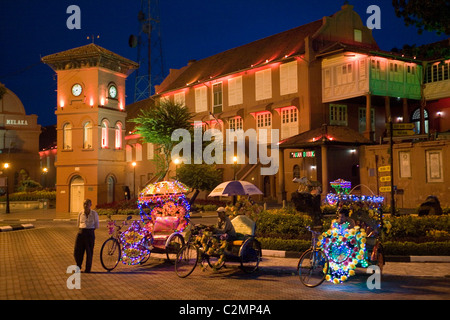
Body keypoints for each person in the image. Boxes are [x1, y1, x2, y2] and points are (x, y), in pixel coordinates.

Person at [74, 199, 99, 273]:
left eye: (87, 204)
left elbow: (96, 225)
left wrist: (90, 230)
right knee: (77, 251)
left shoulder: (94, 213)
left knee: (89, 252)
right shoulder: (80, 213)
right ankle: (78, 266)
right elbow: (78, 224)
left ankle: (88, 269)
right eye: (84, 204)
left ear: (90, 205)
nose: (85, 205)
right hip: (81, 233)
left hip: (90, 233)